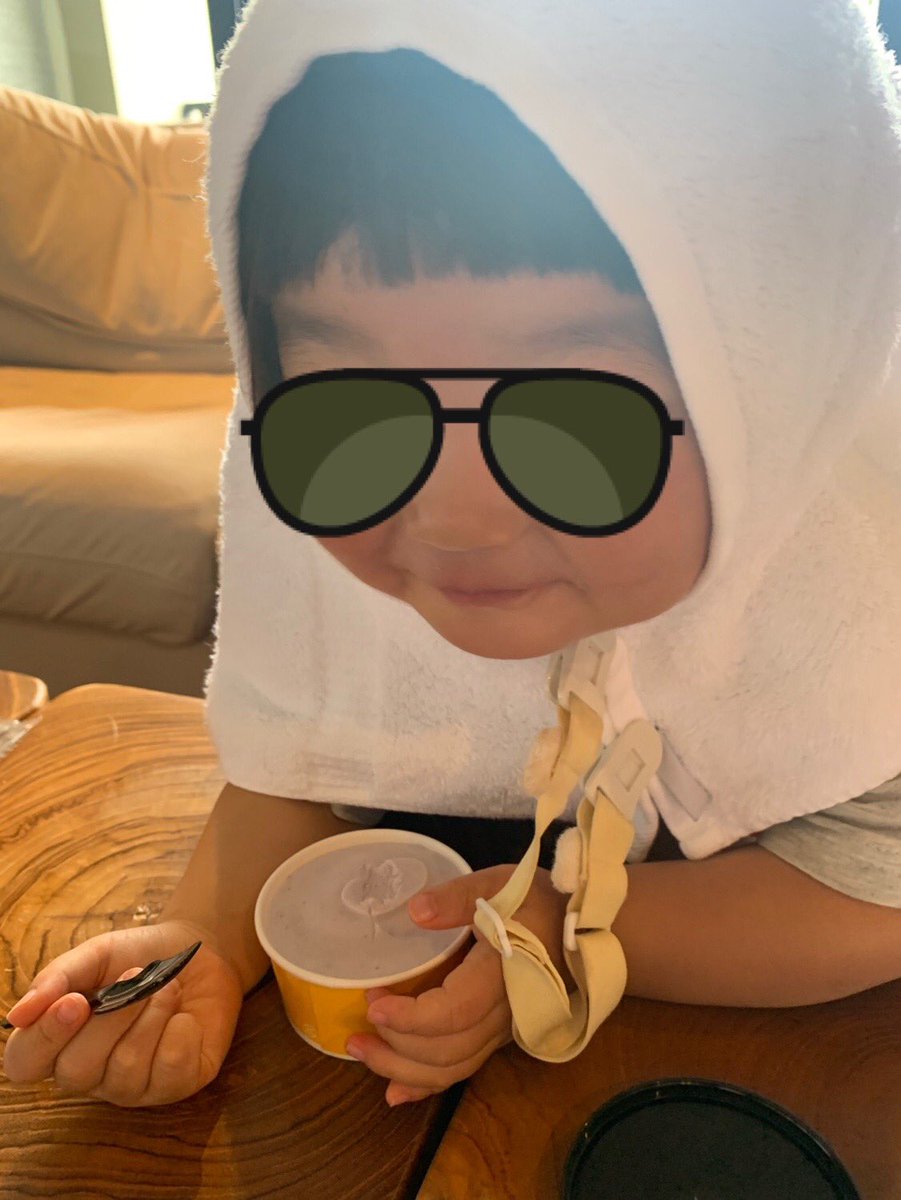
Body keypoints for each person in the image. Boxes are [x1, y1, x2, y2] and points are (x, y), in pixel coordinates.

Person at [4, 0, 900, 1112]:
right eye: (353, 416)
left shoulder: (856, 575)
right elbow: (307, 758)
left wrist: (564, 929)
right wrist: (208, 935)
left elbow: (876, 893)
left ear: (782, 392)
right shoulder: (328, 547)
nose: (455, 522)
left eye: (577, 424)